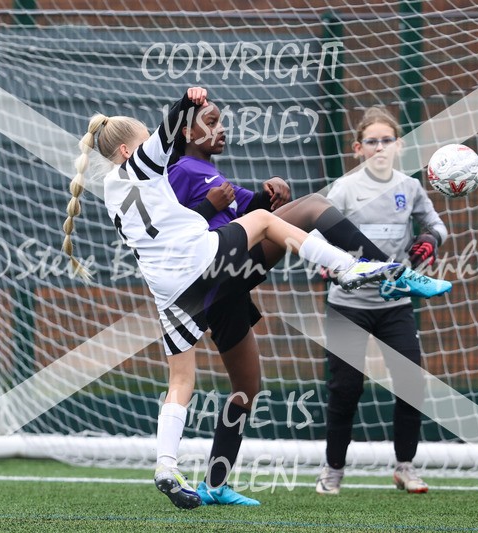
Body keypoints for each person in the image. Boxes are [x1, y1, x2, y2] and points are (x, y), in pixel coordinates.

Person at [62, 87, 401, 510]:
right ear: (129, 150)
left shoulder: (113, 191)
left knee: (185, 381)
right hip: (202, 263)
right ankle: (348, 267)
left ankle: (169, 467)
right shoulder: (147, 166)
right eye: (147, 141)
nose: (158, 146)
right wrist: (188, 101)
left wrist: (250, 198)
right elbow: (169, 131)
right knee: (269, 220)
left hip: (169, 292)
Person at [166, 100, 453, 505]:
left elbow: (254, 212)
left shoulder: (210, 172)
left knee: (247, 387)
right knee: (316, 206)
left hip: (228, 287)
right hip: (216, 270)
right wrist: (206, 207)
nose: (222, 128)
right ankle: (393, 273)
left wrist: (271, 194)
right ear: (186, 133)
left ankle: (215, 484)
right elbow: (169, 233)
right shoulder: (179, 170)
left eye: (221, 121)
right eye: (211, 122)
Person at [315, 106, 448, 496]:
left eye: (386, 140)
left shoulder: (411, 187)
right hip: (348, 305)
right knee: (346, 389)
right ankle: (332, 470)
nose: (379, 147)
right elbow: (316, 236)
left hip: (394, 305)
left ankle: (405, 467)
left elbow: (436, 225)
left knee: (411, 384)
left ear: (399, 146)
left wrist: (429, 240)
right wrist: (330, 264)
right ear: (358, 148)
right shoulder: (344, 189)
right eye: (371, 141)